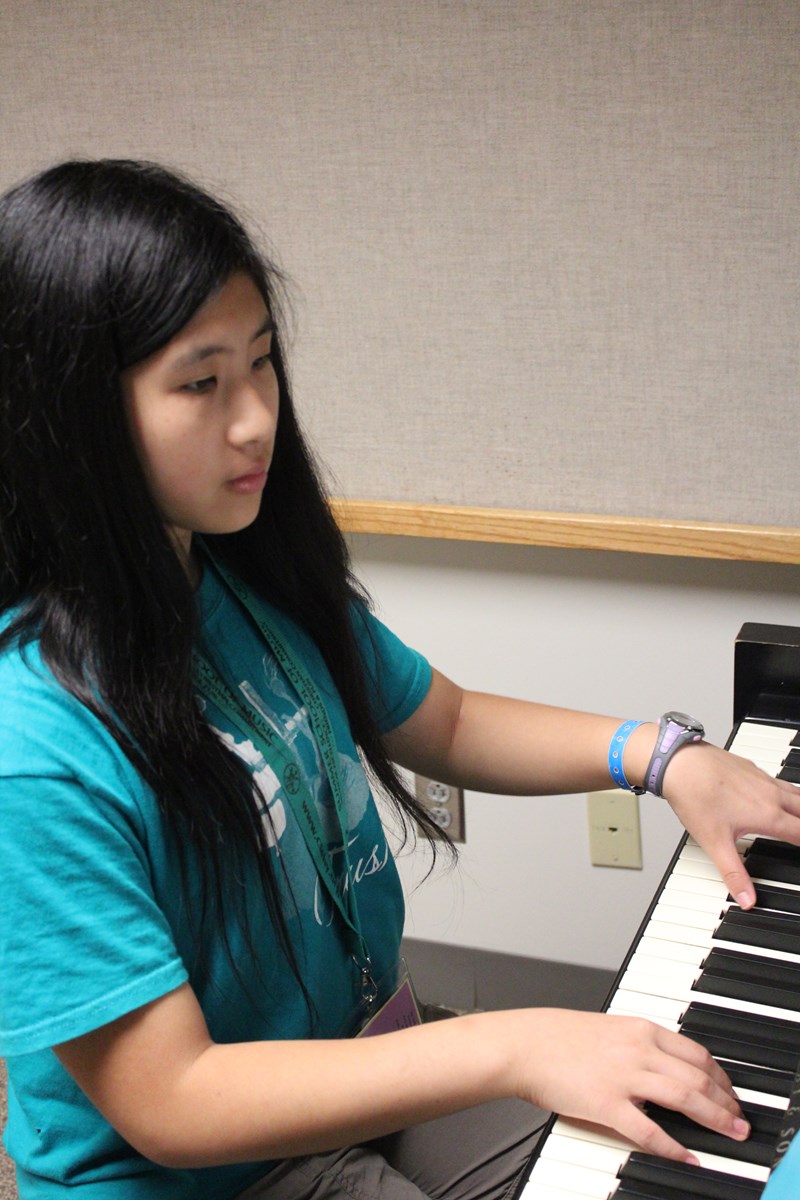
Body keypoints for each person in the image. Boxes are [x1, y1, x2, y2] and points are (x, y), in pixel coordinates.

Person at [0, 159, 798, 1200]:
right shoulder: (33, 745)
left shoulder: (245, 575)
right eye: (201, 383)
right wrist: (513, 1045)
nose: (255, 418)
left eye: (262, 362)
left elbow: (445, 720)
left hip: (363, 1070)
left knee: (703, 1134)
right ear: (73, 414)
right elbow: (175, 1100)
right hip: (207, 1175)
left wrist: (658, 756)